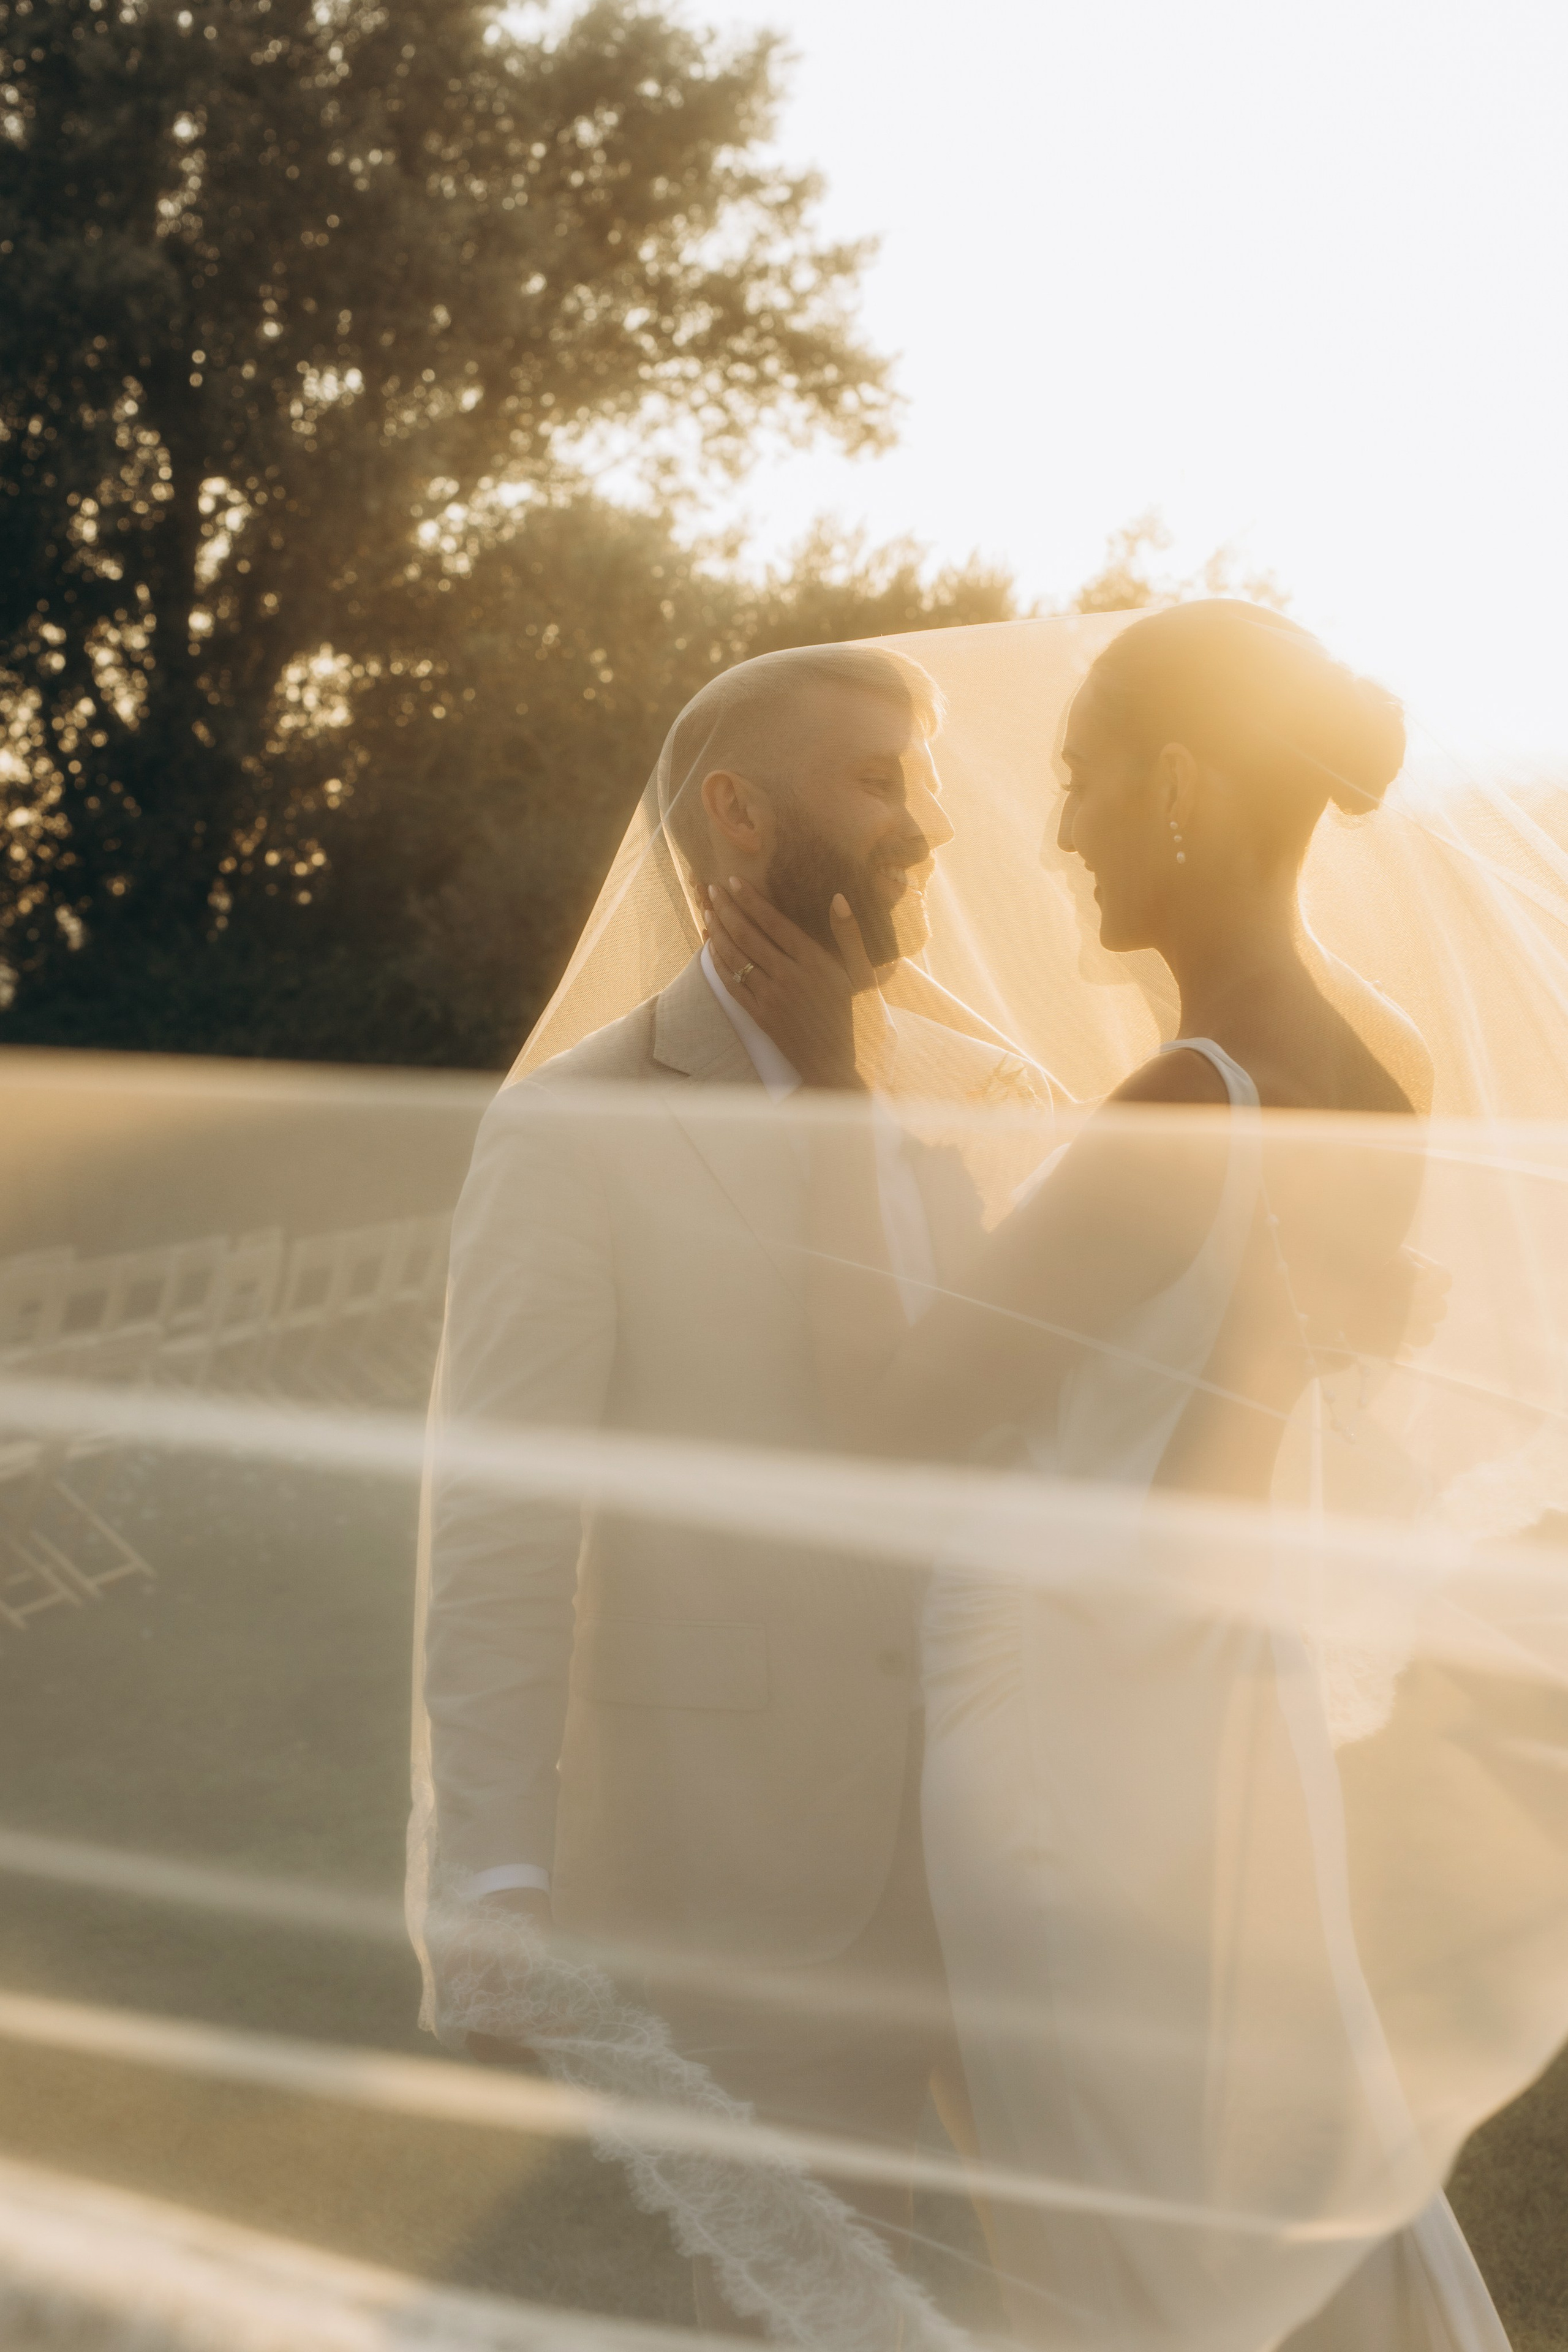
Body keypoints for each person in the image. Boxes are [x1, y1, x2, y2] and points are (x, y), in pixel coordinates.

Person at [704, 601, 1512, 2350]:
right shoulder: (1387, 1069)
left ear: (1180, 786)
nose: (1055, 832)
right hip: (1226, 1717)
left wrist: (839, 1092)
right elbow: (1242, 1426)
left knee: (1117, 2234)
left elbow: (903, 1416)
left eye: (1077, 781)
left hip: (1063, 1731)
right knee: (1259, 2179)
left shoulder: (1178, 1112)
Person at [417, 641, 1050, 2329]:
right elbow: (501, 1510)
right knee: (804, 2307)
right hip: (742, 1861)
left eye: (915, 780)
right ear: (737, 816)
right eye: (876, 780)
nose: (924, 826)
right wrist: (488, 1868)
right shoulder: (574, 1127)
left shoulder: (967, 1090)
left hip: (1012, 1829)